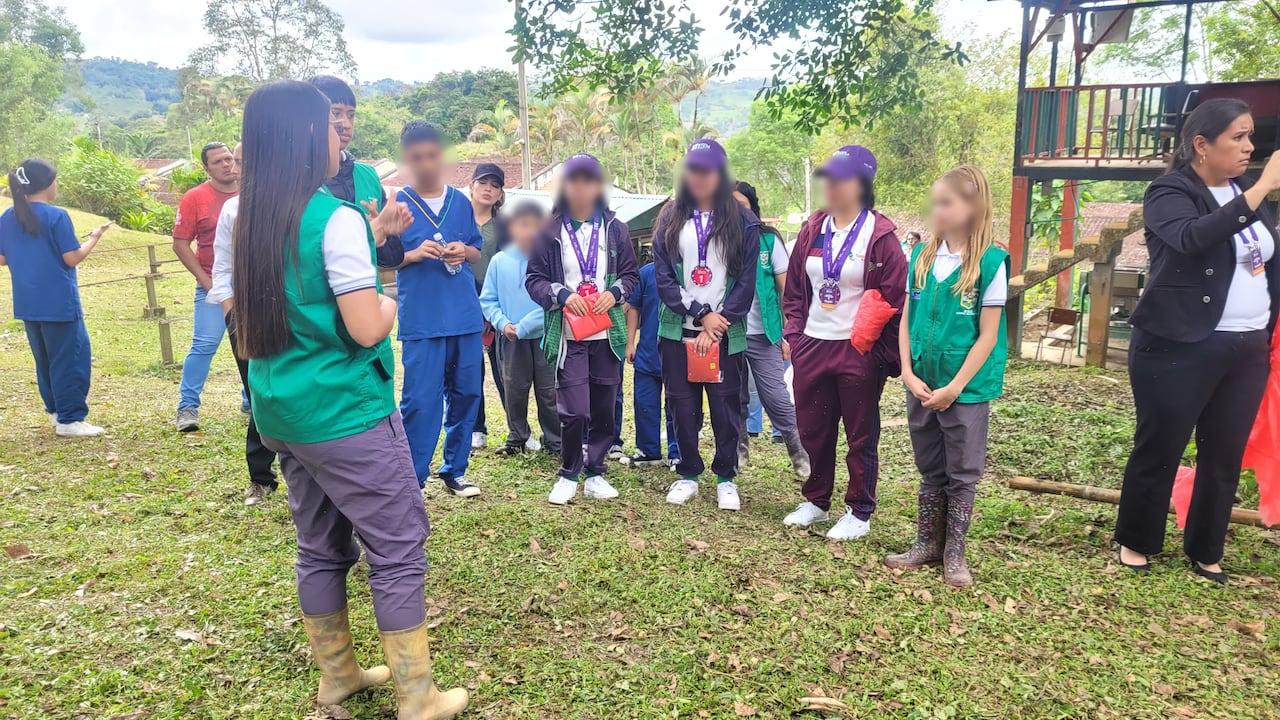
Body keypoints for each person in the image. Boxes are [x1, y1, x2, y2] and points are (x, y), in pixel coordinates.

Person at [223, 80, 467, 718]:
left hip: (282, 409)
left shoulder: (244, 218)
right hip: (344, 412)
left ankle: (338, 675)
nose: (341, 135)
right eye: (331, 125)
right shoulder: (332, 219)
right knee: (397, 543)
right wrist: (390, 296)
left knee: (319, 543)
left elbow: (241, 314)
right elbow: (365, 327)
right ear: (308, 138)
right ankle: (417, 695)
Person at [1115, 98, 1280, 584]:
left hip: (1247, 347)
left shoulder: (1247, 190)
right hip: (1178, 345)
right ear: (1201, 144)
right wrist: (1261, 190)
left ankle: (1206, 548)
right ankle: (1137, 540)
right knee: (1161, 446)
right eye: (1238, 137)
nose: (1249, 147)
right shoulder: (1170, 191)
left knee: (1224, 454)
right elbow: (1192, 237)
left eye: (1251, 137)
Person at [886, 165, 1009, 587]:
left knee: (963, 470)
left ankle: (954, 553)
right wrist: (907, 371)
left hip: (965, 389)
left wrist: (955, 388)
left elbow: (988, 335)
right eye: (934, 202)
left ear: (973, 207)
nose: (935, 210)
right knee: (930, 466)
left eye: (945, 203)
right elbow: (906, 319)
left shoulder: (990, 263)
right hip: (922, 381)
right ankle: (927, 543)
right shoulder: (921, 257)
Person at [781, 145, 907, 539]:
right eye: (828, 178)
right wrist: (795, 336)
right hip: (813, 344)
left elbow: (896, 299)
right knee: (813, 429)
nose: (831, 186)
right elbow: (795, 290)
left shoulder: (880, 236)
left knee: (860, 435)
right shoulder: (813, 229)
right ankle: (817, 501)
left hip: (858, 349)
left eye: (841, 179)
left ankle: (859, 511)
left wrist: (878, 356)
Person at [526, 153, 639, 505]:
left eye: (588, 180)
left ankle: (595, 471)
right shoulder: (549, 231)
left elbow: (631, 275)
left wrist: (614, 293)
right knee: (575, 409)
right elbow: (534, 280)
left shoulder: (616, 229)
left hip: (607, 333)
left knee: (604, 406)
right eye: (574, 180)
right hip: (569, 333)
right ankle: (569, 472)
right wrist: (562, 295)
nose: (581, 187)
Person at [653, 139, 759, 511]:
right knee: (681, 406)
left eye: (708, 170)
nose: (699, 177)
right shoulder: (671, 215)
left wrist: (717, 324)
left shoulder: (742, 220)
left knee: (726, 408)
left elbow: (746, 282)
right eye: (693, 170)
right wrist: (701, 315)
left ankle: (725, 477)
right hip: (677, 330)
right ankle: (688, 473)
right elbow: (664, 277)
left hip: (725, 333)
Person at [389, 121, 486, 498]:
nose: (426, 164)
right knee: (420, 401)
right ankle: (413, 477)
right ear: (406, 160)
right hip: (423, 320)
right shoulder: (397, 205)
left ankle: (455, 470)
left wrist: (465, 251)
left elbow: (476, 249)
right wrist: (412, 254)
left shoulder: (460, 202)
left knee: (466, 394)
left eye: (432, 155)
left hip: (464, 316)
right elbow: (381, 261)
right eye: (417, 158)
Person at [1, 159, 110, 438]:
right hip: (59, 302)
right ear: (47, 184)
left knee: (45, 360)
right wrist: (94, 237)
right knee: (71, 359)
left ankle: (55, 412)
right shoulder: (56, 216)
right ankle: (70, 419)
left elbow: (2, 258)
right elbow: (71, 258)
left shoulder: (9, 216)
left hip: (28, 302)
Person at [732, 180, 810, 478]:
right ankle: (739, 449)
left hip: (765, 334)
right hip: (729, 333)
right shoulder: (718, 240)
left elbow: (786, 292)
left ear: (753, 207)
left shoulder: (769, 241)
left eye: (742, 205)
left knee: (775, 396)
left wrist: (788, 334)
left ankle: (799, 451)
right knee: (733, 396)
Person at [479, 200, 560, 457]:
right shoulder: (499, 261)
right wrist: (503, 324)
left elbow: (554, 299)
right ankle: (517, 436)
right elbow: (488, 300)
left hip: (546, 336)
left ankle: (555, 439)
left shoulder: (551, 260)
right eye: (524, 225)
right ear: (512, 228)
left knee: (549, 391)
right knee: (514, 389)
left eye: (537, 225)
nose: (531, 231)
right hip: (510, 338)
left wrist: (523, 327)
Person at [308, 75, 413, 270]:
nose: (346, 124)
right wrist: (371, 232)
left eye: (351, 115)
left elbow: (391, 259)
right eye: (335, 113)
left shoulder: (368, 175)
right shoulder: (301, 181)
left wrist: (385, 236)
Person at [172, 141, 239, 432]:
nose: (226, 164)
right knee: (205, 344)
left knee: (256, 343)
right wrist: (206, 281)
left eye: (229, 158)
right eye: (218, 161)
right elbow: (180, 244)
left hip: (252, 284)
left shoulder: (253, 193)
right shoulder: (195, 198)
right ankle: (187, 407)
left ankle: (253, 401)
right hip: (213, 284)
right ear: (206, 168)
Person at [625, 258, 680, 467]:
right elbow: (634, 307)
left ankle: (678, 453)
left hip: (678, 350)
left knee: (678, 405)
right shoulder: (647, 272)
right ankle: (648, 451)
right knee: (645, 403)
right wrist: (630, 342)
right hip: (648, 350)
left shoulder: (687, 270)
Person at [470, 162, 509, 450]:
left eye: (495, 185)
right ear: (471, 186)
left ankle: (518, 429)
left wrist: (492, 308)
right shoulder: (458, 220)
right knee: (471, 370)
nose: (488, 189)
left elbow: (510, 268)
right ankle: (476, 428)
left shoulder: (505, 226)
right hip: (463, 301)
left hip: (498, 304)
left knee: (505, 370)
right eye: (483, 183)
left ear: (500, 194)